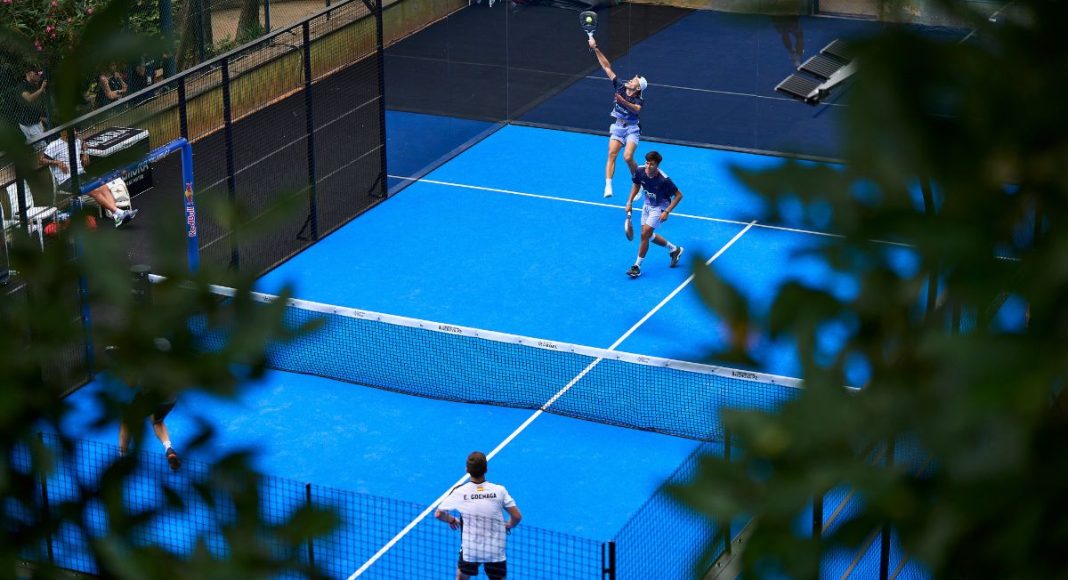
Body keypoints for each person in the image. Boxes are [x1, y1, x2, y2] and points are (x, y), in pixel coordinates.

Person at [435, 451, 522, 580]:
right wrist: (508, 525)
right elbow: (517, 517)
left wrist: (452, 519)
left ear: (466, 470)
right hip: (495, 550)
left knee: (461, 576)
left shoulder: (459, 492)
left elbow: (439, 514)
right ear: (486, 469)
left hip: (471, 549)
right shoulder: (499, 491)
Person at [41, 129, 138, 227]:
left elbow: (84, 144)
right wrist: (57, 162)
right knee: (94, 190)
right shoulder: (54, 145)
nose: (74, 132)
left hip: (81, 175)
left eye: (75, 130)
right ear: (63, 132)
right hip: (67, 181)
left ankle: (117, 217)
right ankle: (119, 213)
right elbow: (41, 160)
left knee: (103, 186)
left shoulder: (77, 141)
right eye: (72, 130)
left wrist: (85, 153)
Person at [588, 37, 647, 198]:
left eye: (634, 80)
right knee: (612, 154)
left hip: (632, 130)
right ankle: (608, 185)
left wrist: (622, 102)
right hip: (618, 126)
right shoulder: (620, 86)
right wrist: (595, 48)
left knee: (627, 157)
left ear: (637, 88)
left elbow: (636, 109)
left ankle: (640, 182)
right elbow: (607, 67)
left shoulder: (638, 99)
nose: (630, 80)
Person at [110, 346, 181, 471]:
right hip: (170, 397)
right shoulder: (160, 353)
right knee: (157, 420)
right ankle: (168, 448)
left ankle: (122, 458)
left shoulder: (139, 362)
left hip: (152, 397)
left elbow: (131, 384)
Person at [624, 150, 684, 278]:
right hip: (647, 204)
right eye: (647, 163)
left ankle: (637, 267)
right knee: (647, 235)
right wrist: (629, 201)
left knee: (645, 234)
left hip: (660, 206)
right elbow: (636, 185)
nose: (648, 166)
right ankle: (674, 249)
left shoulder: (664, 180)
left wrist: (667, 211)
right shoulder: (640, 171)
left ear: (657, 165)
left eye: (651, 164)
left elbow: (679, 195)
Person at [13, 67, 49, 152]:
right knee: (44, 148)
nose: (38, 75)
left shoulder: (34, 85)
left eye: (38, 73)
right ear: (28, 73)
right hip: (28, 124)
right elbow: (29, 98)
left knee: (42, 148)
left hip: (36, 120)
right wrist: (41, 89)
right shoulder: (21, 86)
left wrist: (42, 118)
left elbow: (37, 105)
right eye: (35, 73)